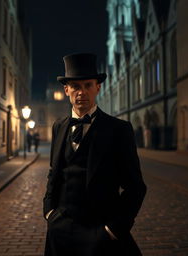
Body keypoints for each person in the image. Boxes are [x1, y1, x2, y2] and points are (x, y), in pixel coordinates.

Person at [43, 53, 147, 256]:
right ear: (66, 90)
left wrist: (112, 229)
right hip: (61, 230)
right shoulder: (59, 127)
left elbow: (136, 187)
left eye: (88, 85)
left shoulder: (119, 129)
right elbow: (53, 173)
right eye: (75, 86)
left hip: (100, 232)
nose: (82, 92)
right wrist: (49, 212)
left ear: (97, 87)